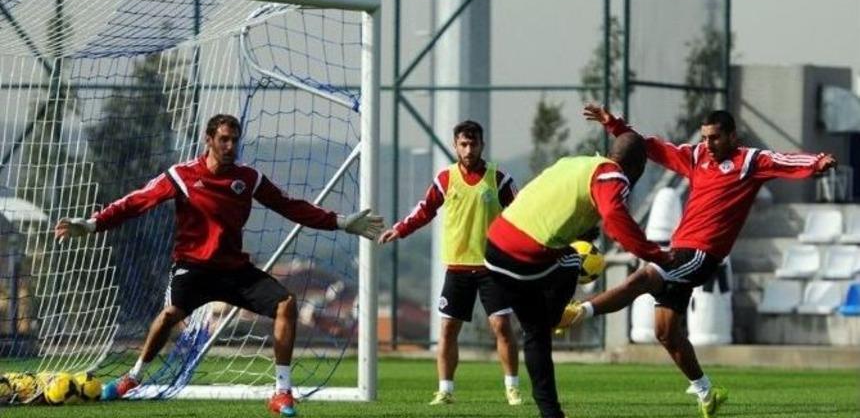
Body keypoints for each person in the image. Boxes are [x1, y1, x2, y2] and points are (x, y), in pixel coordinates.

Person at [54, 114, 384, 417]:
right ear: (209, 139)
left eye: (234, 140)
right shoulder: (181, 176)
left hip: (234, 271)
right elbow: (136, 202)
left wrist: (340, 222)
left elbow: (290, 207)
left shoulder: (248, 178)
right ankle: (134, 376)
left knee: (286, 304)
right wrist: (93, 224)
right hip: (192, 268)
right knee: (170, 315)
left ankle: (282, 392)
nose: (230, 146)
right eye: (224, 139)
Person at [562, 104, 838, 418]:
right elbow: (651, 147)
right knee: (665, 332)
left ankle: (578, 312)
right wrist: (615, 125)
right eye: (705, 137)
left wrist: (817, 162)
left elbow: (784, 159)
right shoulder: (697, 157)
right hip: (680, 251)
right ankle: (708, 393)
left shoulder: (749, 161)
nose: (708, 144)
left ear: (733, 136)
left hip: (702, 254)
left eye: (715, 138)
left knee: (642, 279)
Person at [483, 131, 668, 418]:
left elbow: (551, 205)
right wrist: (656, 255)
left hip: (494, 248)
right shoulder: (613, 175)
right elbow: (616, 221)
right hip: (524, 255)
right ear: (638, 168)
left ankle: (551, 413)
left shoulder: (576, 163)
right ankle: (558, 314)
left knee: (536, 332)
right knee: (573, 259)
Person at [377, 120, 523, 406]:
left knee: (502, 325)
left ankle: (512, 388)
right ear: (456, 145)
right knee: (447, 330)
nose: (468, 150)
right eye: (463, 144)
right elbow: (425, 209)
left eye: (474, 144)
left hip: (491, 267)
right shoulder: (445, 179)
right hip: (456, 267)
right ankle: (445, 390)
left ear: (482, 145)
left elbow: (521, 212)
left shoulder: (499, 179)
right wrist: (401, 229)